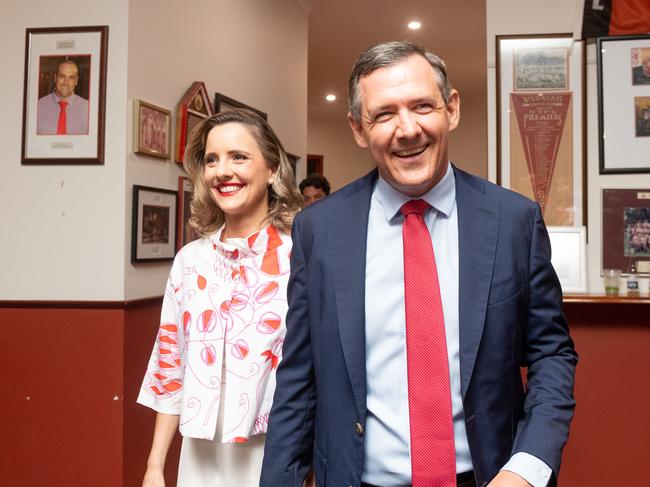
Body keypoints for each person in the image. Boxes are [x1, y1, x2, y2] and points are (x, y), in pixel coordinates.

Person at [260, 41, 577, 487]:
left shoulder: (513, 221)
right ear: (357, 128)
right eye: (384, 114)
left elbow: (552, 354)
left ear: (451, 109)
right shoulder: (319, 231)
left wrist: (527, 467)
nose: (407, 129)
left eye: (422, 106)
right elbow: (298, 377)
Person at [138, 109, 302, 487]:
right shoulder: (189, 261)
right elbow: (171, 362)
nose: (221, 171)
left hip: (276, 452)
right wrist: (155, 465)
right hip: (201, 456)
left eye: (238, 157)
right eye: (212, 160)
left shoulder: (299, 258)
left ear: (273, 169)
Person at [36, 59, 89, 135]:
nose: (65, 83)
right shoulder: (38, 106)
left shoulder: (87, 108)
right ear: (55, 78)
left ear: (76, 81)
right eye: (62, 77)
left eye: (71, 78)